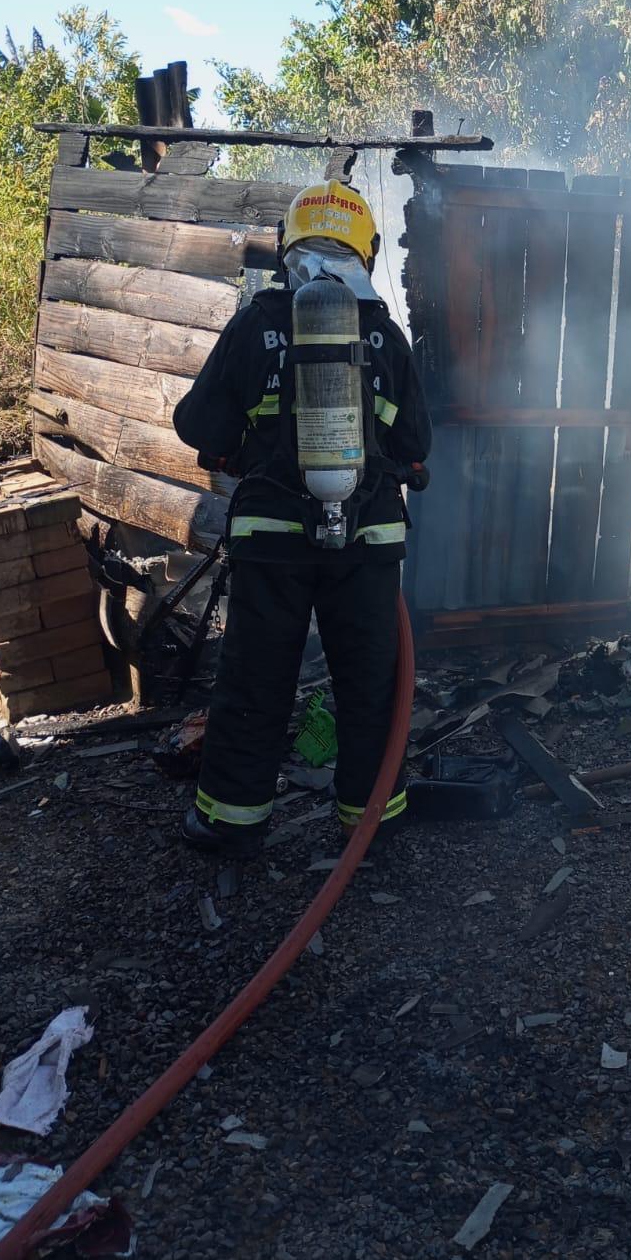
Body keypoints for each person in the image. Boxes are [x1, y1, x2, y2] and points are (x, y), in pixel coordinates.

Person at [172, 180, 431, 860]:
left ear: (288, 249)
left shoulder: (255, 321)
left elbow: (195, 423)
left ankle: (231, 822)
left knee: (256, 679)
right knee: (370, 684)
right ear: (366, 253)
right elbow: (415, 446)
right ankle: (371, 819)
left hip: (271, 540)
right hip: (369, 542)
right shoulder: (383, 333)